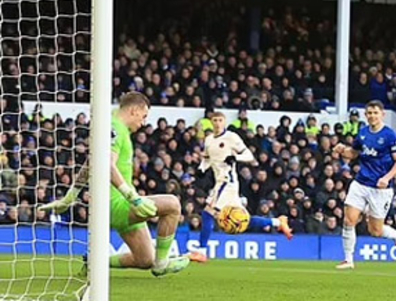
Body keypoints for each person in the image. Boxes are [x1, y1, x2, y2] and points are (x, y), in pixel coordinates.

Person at [40, 92, 190, 276]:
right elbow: (106, 164)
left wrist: (70, 196)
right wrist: (133, 197)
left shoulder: (111, 126)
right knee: (173, 204)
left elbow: (91, 163)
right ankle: (162, 263)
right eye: (143, 117)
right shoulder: (115, 128)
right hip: (117, 202)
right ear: (134, 110)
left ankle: (95, 263)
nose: (143, 123)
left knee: (144, 260)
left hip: (114, 203)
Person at [192, 111, 293, 261]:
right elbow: (207, 158)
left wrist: (235, 157)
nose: (218, 123)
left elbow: (249, 155)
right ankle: (278, 222)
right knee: (243, 219)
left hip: (227, 182)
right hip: (221, 181)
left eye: (220, 120)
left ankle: (202, 251)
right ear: (211, 122)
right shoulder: (208, 140)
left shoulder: (231, 137)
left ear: (224, 122)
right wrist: (202, 168)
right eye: (215, 120)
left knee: (208, 213)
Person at [332, 100, 396, 269]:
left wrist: (387, 177)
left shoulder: (390, 136)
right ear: (365, 115)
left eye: (375, 112)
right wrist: (341, 150)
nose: (372, 116)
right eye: (369, 113)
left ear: (382, 114)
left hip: (380, 189)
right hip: (360, 183)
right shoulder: (363, 133)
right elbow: (353, 153)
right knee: (348, 220)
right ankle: (348, 259)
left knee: (376, 231)